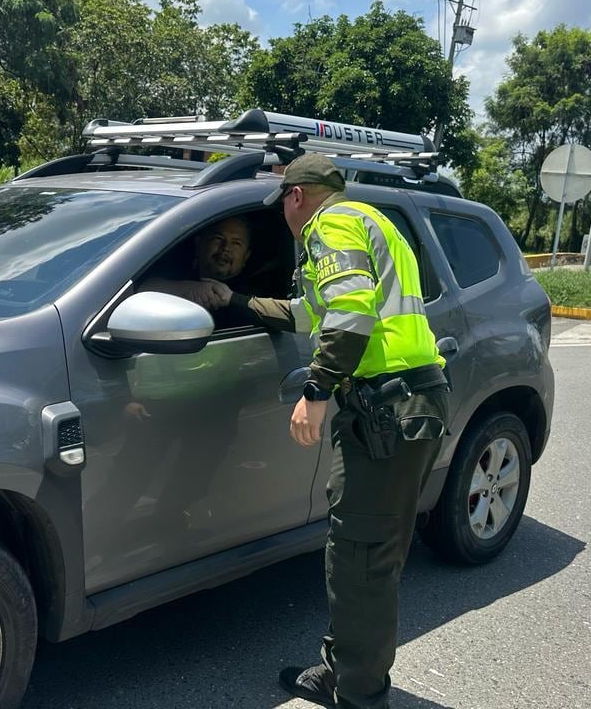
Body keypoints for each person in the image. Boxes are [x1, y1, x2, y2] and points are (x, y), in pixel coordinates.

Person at [213, 154, 450, 709]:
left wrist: (316, 392)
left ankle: (360, 695)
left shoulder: (331, 225)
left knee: (362, 559)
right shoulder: (372, 221)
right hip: (408, 402)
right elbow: (312, 313)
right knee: (365, 555)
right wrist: (235, 300)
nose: (287, 220)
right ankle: (343, 672)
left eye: (285, 206)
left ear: (297, 196)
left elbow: (350, 313)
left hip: (386, 408)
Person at [139, 215, 253, 314]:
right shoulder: (178, 271)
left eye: (236, 243)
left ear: (246, 257)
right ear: (199, 244)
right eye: (218, 238)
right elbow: (142, 290)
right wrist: (188, 290)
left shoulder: (252, 297)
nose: (226, 248)